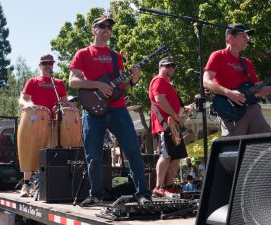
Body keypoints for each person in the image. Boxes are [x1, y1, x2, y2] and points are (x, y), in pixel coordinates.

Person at [68, 16, 152, 206]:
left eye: (109, 27)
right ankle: (96, 194)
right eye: (103, 26)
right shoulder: (83, 53)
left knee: (133, 150)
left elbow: (119, 86)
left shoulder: (116, 57)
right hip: (92, 111)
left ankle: (143, 194)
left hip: (117, 109)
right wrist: (98, 84)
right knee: (93, 155)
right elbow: (72, 81)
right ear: (93, 30)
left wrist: (132, 80)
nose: (107, 29)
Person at [203, 23, 271, 136]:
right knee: (234, 149)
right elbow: (206, 82)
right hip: (233, 112)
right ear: (230, 38)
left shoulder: (247, 62)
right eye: (243, 36)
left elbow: (257, 90)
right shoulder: (217, 56)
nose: (247, 39)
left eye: (247, 36)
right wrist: (229, 93)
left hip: (253, 110)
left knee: (264, 145)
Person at [18, 54, 67, 197]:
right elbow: (23, 98)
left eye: (50, 63)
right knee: (31, 150)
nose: (48, 66)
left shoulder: (59, 83)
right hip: (36, 122)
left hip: (54, 123)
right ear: (40, 66)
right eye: (45, 63)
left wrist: (67, 105)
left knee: (51, 154)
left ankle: (48, 184)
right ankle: (26, 185)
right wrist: (27, 104)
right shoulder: (33, 81)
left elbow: (64, 101)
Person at [149, 56, 194, 197]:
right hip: (165, 125)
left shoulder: (168, 84)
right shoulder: (158, 81)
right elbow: (159, 100)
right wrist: (176, 115)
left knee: (176, 156)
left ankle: (168, 186)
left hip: (172, 125)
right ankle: (159, 186)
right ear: (160, 67)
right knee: (166, 155)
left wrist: (186, 108)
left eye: (172, 66)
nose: (171, 69)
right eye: (167, 66)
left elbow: (172, 104)